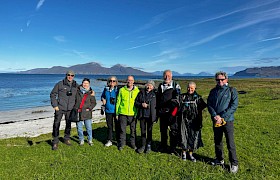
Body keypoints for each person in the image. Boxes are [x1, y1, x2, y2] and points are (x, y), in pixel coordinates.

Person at [207, 71, 239, 173]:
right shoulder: (213, 91)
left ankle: (234, 163)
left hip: (227, 121)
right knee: (218, 141)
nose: (220, 81)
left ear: (226, 79)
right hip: (216, 120)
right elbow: (209, 104)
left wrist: (222, 117)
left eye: (222, 79)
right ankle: (219, 159)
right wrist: (214, 115)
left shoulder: (231, 90)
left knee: (230, 142)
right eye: (218, 80)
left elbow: (233, 106)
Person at [178, 82, 207, 162]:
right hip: (184, 121)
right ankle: (183, 153)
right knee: (184, 135)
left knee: (193, 137)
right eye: (188, 87)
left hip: (195, 120)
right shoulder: (182, 97)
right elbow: (176, 106)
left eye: (192, 88)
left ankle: (190, 154)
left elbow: (203, 107)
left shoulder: (198, 98)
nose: (189, 89)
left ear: (195, 88)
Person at [50, 70, 78, 150]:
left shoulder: (76, 85)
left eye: (72, 75)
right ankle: (55, 142)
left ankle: (66, 139)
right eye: (68, 75)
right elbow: (53, 94)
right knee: (56, 124)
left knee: (68, 124)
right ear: (66, 75)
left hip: (70, 109)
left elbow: (82, 92)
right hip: (60, 108)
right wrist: (55, 105)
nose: (70, 76)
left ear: (74, 76)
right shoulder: (60, 84)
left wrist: (91, 92)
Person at [156, 70, 181, 153]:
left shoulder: (175, 85)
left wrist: (173, 113)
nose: (167, 77)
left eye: (169, 75)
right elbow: (158, 98)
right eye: (165, 75)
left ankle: (172, 148)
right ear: (163, 76)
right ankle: (163, 146)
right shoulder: (160, 86)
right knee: (163, 130)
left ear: (171, 76)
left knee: (173, 130)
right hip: (162, 112)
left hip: (172, 112)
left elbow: (177, 100)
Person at [115, 75, 140, 151]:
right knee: (122, 130)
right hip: (123, 113)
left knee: (133, 130)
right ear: (126, 81)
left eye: (131, 80)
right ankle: (122, 144)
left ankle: (133, 144)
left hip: (133, 114)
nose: (130, 82)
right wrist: (117, 113)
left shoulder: (137, 91)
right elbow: (118, 101)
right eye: (128, 80)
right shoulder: (122, 90)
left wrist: (137, 113)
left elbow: (138, 102)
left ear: (133, 81)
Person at [134, 80, 157, 153]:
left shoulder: (155, 94)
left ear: (153, 87)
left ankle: (149, 145)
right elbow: (135, 103)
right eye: (148, 85)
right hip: (142, 115)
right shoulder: (141, 93)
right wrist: (141, 104)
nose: (149, 86)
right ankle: (143, 145)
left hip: (150, 116)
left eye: (151, 85)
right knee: (142, 131)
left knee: (149, 131)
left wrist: (155, 115)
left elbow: (157, 105)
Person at [74, 78, 96, 146]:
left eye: (87, 83)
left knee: (88, 128)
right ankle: (81, 140)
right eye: (84, 83)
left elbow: (94, 103)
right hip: (79, 112)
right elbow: (73, 100)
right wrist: (75, 108)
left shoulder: (91, 92)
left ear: (89, 84)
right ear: (82, 83)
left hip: (87, 113)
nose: (85, 84)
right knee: (79, 128)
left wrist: (89, 108)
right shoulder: (77, 91)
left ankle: (90, 140)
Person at [101, 76, 119, 147]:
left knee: (117, 126)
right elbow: (102, 96)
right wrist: (103, 99)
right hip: (108, 111)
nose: (112, 82)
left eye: (114, 81)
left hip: (116, 111)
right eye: (110, 81)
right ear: (108, 82)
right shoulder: (106, 89)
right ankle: (110, 140)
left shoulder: (118, 90)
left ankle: (118, 140)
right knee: (109, 126)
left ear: (116, 82)